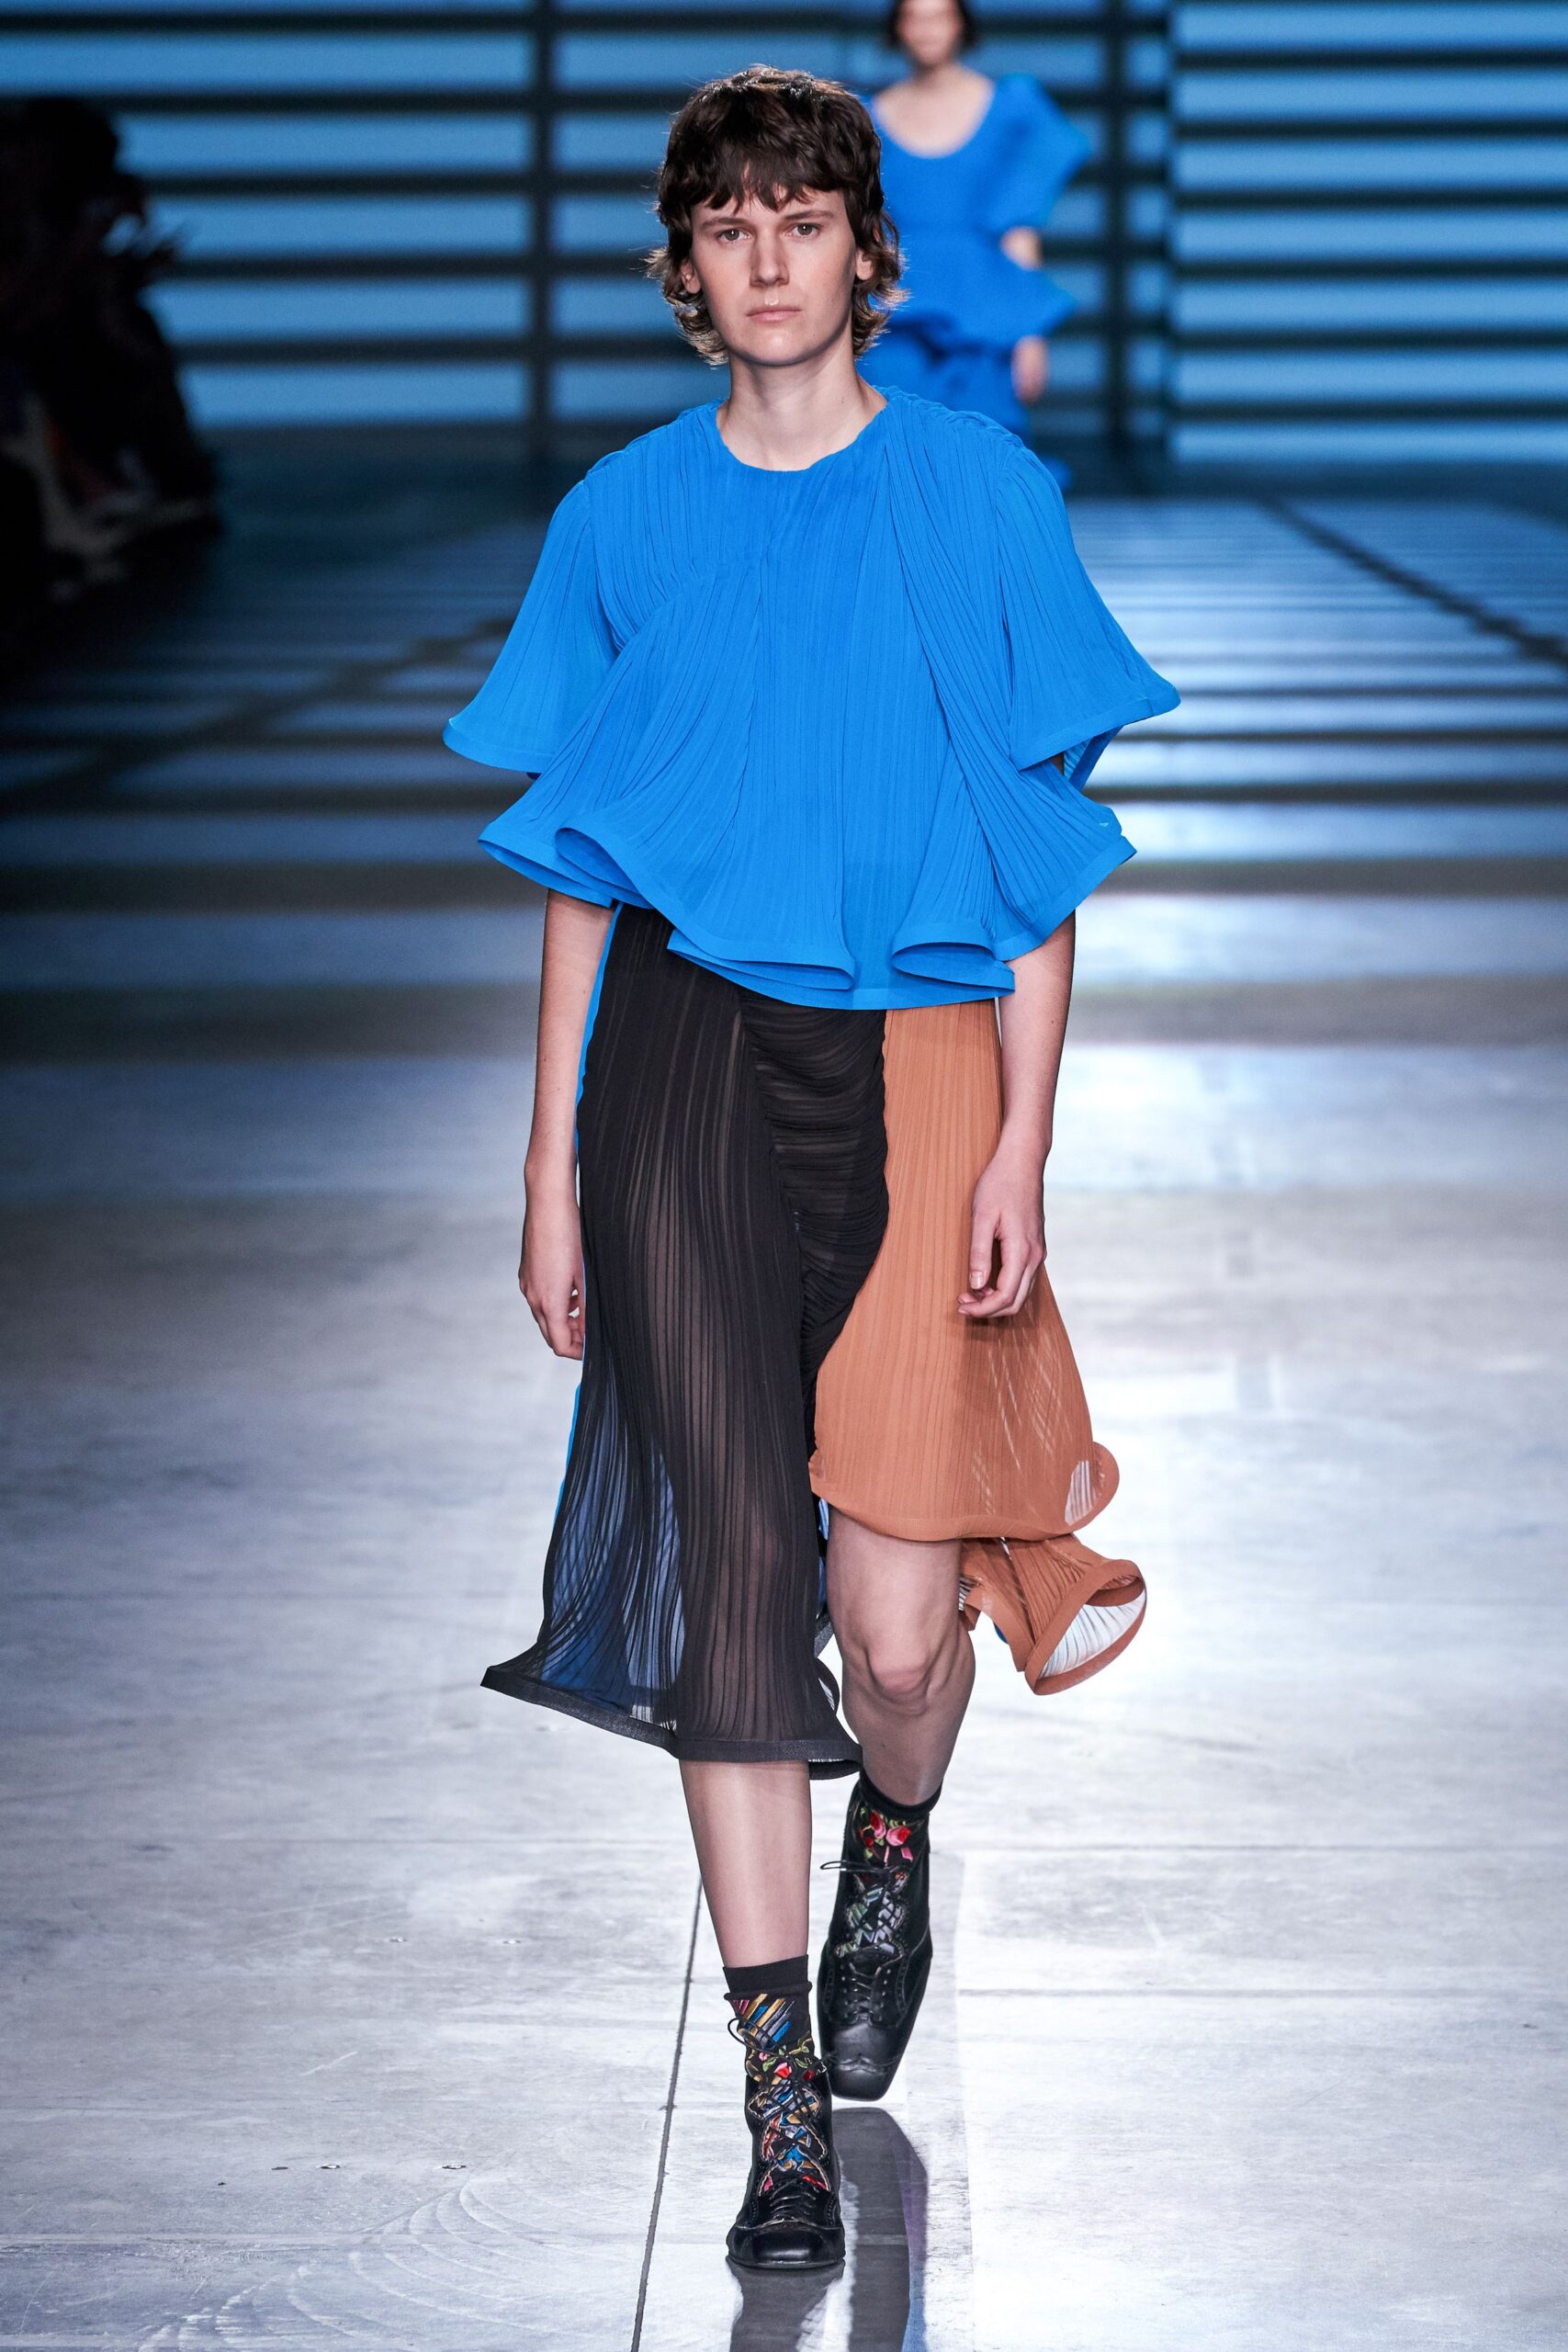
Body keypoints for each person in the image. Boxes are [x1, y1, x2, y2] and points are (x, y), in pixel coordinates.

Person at [443, 65, 1176, 2275]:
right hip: (679, 1064)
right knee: (739, 1597)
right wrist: (551, 1163)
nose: (765, 257)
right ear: (685, 265)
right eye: (726, 223)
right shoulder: (624, 518)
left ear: (864, 250)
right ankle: (780, 2114)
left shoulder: (975, 493)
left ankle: (899, 1830)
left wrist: (1022, 1141)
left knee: (892, 1623)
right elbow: (579, 862)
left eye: (801, 218)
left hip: (924, 1057)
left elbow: (1037, 853)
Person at [857, 0, 1089, 439]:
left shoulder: (1008, 110)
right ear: (897, 27)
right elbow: (866, 234)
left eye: (939, 16)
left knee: (987, 449)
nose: (927, 29)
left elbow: (1018, 229)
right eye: (914, 17)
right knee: (893, 445)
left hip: (985, 314)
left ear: (961, 24)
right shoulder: (867, 121)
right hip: (897, 312)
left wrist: (1029, 333)